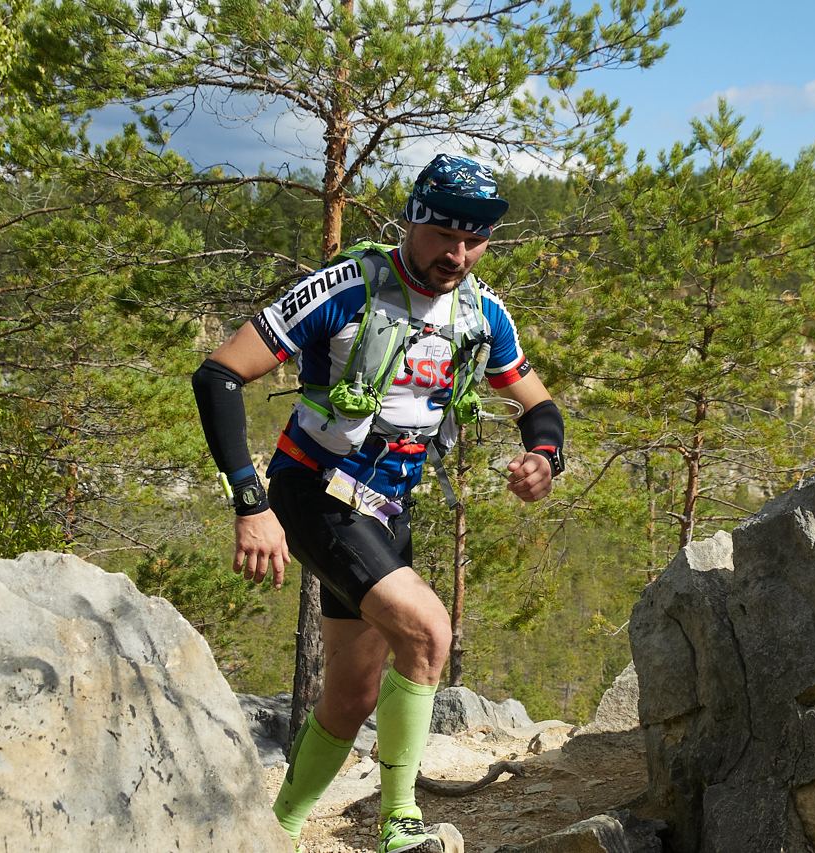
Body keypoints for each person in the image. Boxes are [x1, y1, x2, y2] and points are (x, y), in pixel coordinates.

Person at [191, 154, 566, 853]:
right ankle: (402, 823)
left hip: (388, 511)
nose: (458, 253)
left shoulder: (482, 313)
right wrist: (249, 501)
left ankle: (277, 830)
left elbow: (536, 402)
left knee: (352, 694)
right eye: (444, 236)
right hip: (314, 495)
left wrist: (544, 457)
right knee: (427, 630)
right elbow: (218, 374)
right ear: (413, 220)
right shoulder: (346, 287)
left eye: (475, 240)